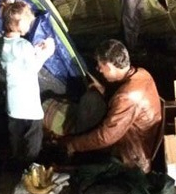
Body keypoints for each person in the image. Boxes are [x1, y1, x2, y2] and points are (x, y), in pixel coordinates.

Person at [59, 39, 162, 173]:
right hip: (141, 137)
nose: (99, 70)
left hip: (132, 153)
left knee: (89, 103)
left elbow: (107, 136)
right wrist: (104, 91)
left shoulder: (126, 96)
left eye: (100, 66)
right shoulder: (142, 73)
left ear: (109, 66)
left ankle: (78, 159)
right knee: (93, 98)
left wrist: (73, 144)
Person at [0, 0, 55, 168]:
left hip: (13, 106)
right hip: (29, 108)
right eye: (28, 22)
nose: (30, 26)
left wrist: (34, 50)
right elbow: (32, 67)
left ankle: (16, 169)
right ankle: (29, 172)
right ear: (18, 24)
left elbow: (14, 63)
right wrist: (46, 52)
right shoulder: (23, 46)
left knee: (17, 143)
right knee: (32, 147)